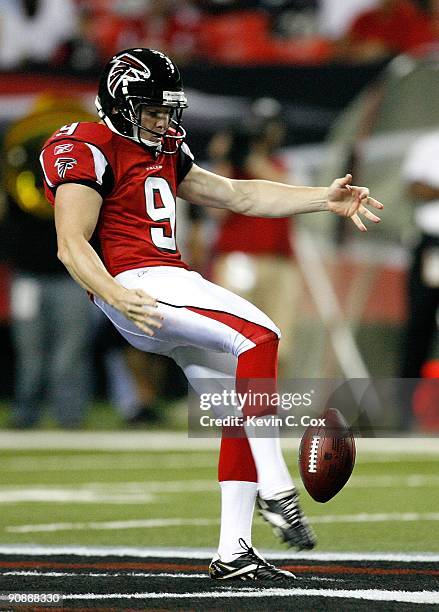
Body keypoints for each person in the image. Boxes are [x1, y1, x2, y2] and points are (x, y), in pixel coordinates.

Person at [39, 48, 382, 580]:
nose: (163, 118)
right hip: (138, 284)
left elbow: (237, 195)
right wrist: (112, 290)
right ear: (121, 103)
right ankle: (276, 488)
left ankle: (234, 551)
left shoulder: (165, 146)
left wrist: (321, 199)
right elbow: (70, 242)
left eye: (167, 107)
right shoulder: (86, 144)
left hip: (163, 283)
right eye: (152, 108)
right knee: (260, 335)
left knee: (234, 409)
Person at [2, 96, 94, 429]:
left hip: (71, 276)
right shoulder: (16, 169)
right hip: (28, 275)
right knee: (29, 352)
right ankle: (25, 413)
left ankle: (69, 416)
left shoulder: (82, 176)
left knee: (70, 353)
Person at [208, 101, 301, 378]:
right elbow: (216, 213)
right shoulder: (230, 171)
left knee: (279, 337)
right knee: (235, 334)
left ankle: (269, 408)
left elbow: (289, 193)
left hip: (279, 262)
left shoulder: (281, 165)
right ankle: (233, 408)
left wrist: (251, 158)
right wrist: (225, 161)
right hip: (239, 258)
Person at [399, 131, 439, 430]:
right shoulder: (428, 143)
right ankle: (404, 413)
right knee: (420, 327)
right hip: (433, 245)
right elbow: (414, 187)